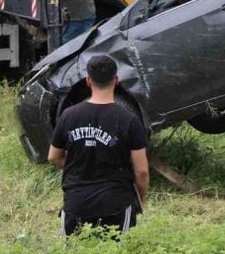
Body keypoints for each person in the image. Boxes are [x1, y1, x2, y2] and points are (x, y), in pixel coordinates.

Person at [48, 55, 150, 237]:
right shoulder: (129, 120)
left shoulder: (68, 116)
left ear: (88, 81)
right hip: (116, 203)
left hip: (76, 203)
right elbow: (141, 171)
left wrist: (78, 165)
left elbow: (53, 156)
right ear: (116, 80)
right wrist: (139, 199)